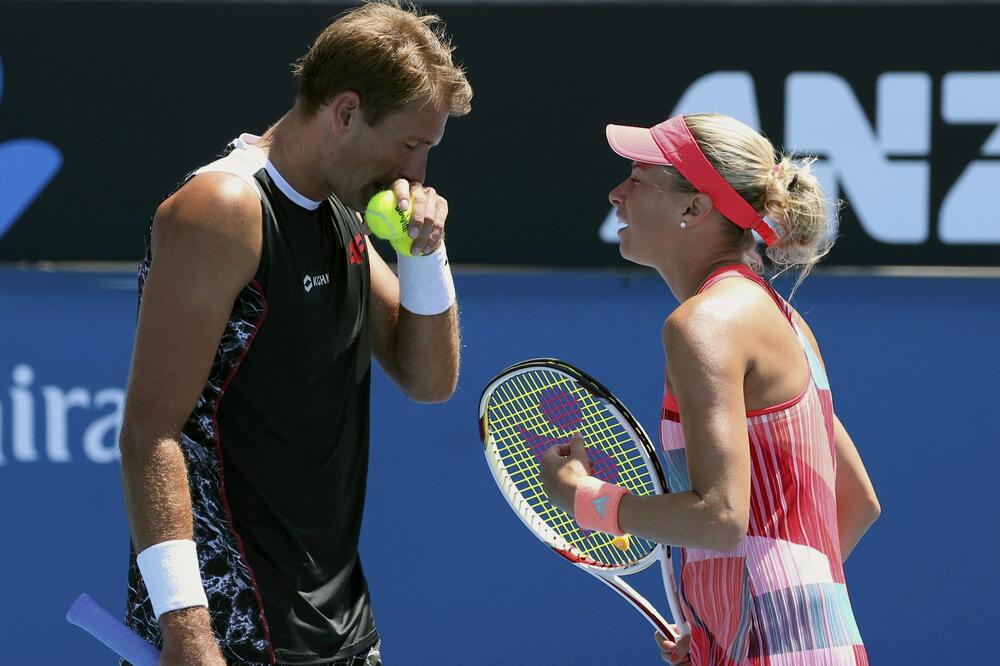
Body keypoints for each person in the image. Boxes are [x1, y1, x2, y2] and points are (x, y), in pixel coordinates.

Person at [117, 2, 472, 664]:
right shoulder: (223, 209)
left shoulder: (344, 209)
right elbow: (149, 435)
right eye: (411, 144)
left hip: (339, 625)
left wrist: (426, 253)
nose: (417, 173)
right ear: (344, 112)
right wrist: (188, 631)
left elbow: (429, 380)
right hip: (230, 628)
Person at [540, 113, 880, 665]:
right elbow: (858, 502)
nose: (616, 193)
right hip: (823, 644)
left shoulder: (704, 325)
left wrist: (582, 498)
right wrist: (731, 615)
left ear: (694, 208)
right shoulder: (786, 321)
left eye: (638, 178)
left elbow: (720, 520)